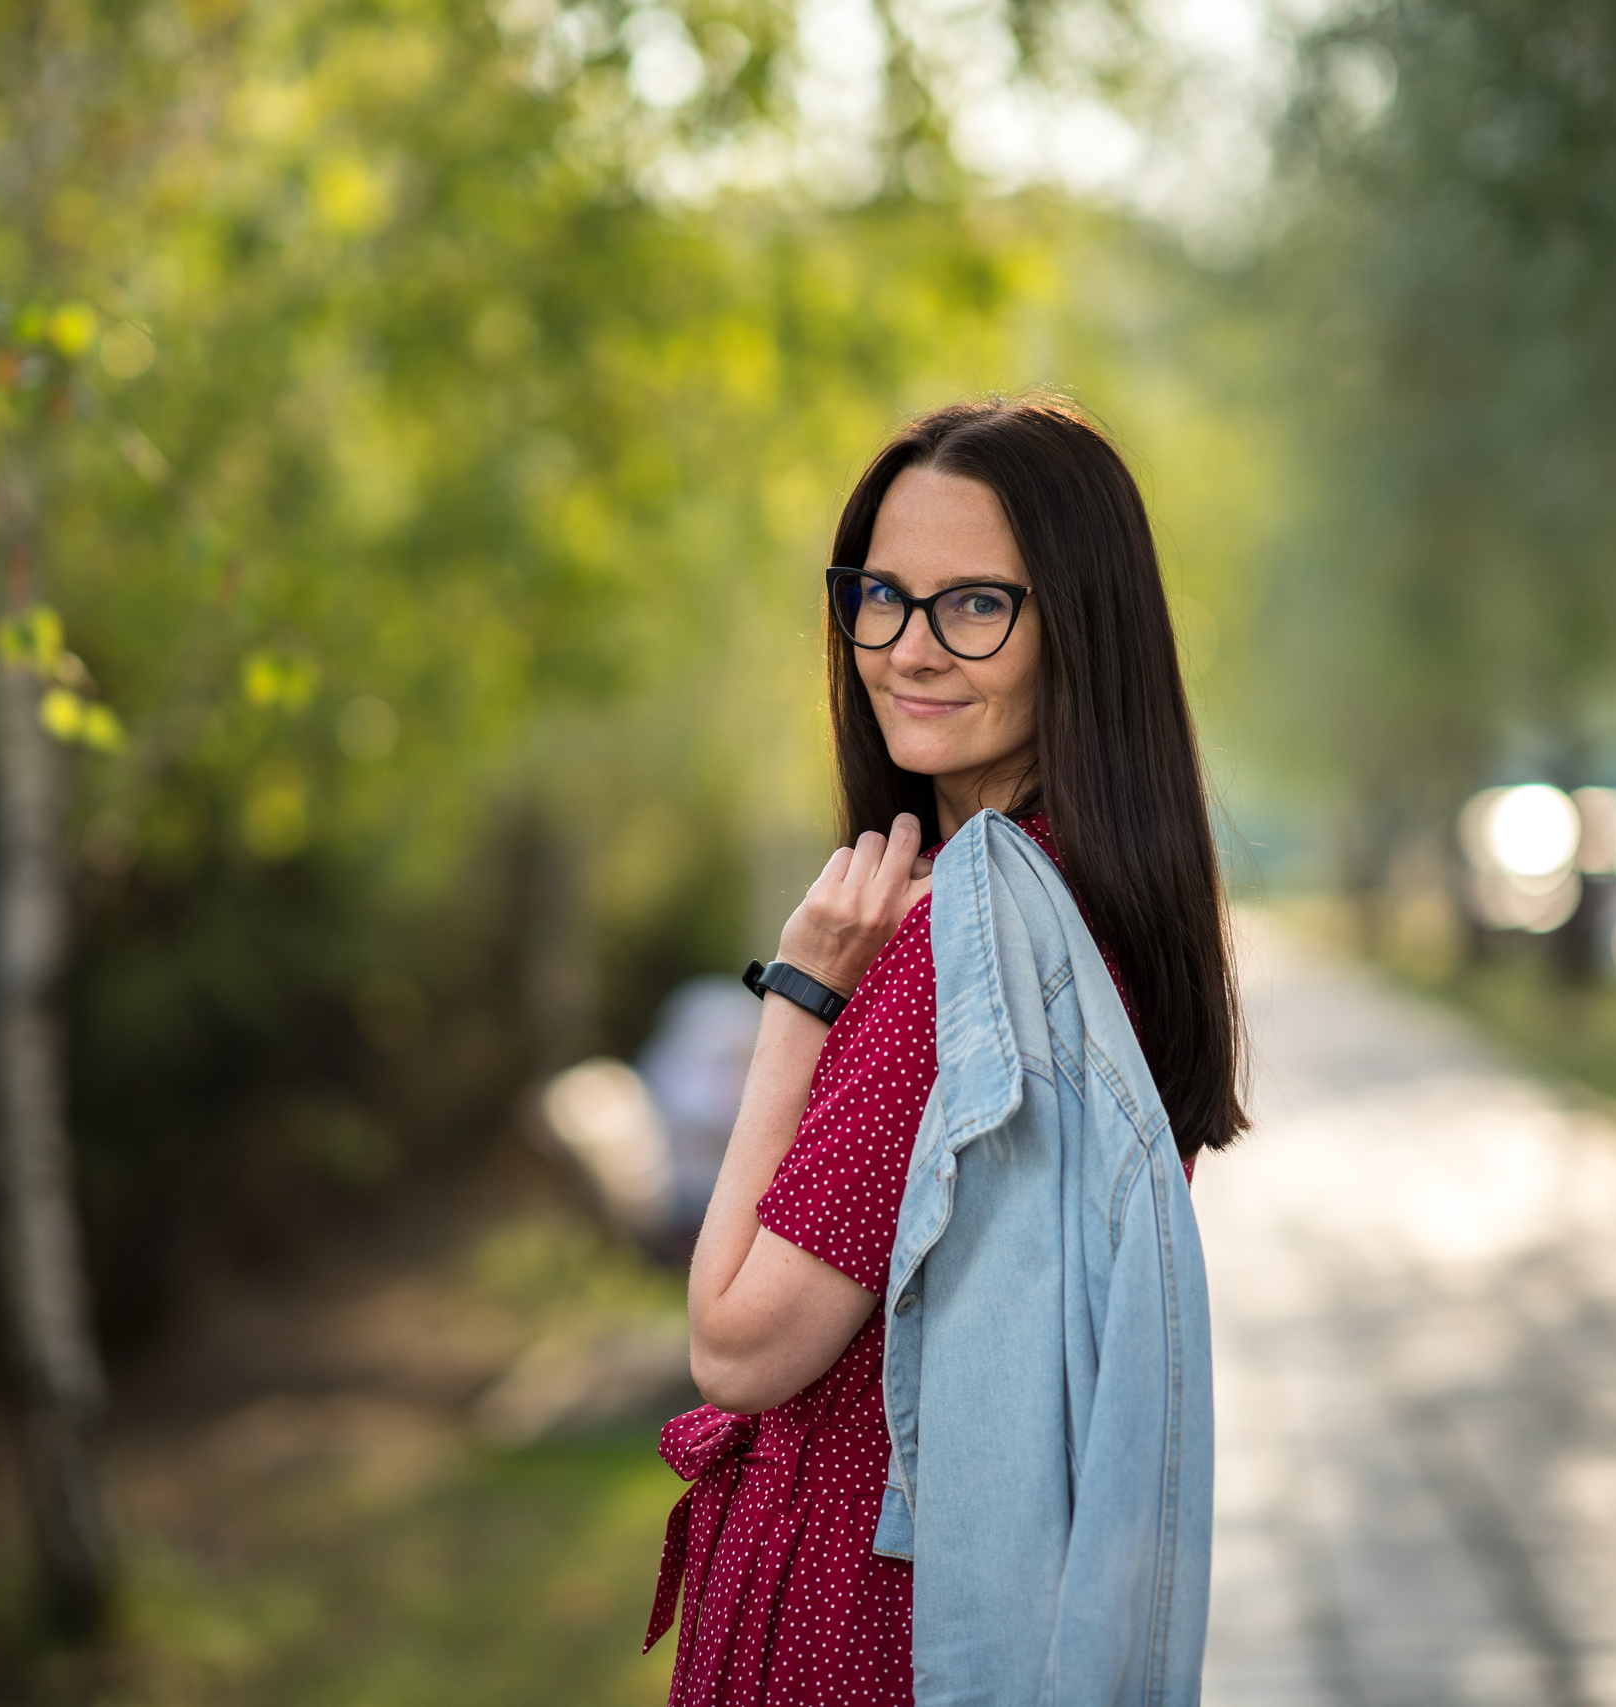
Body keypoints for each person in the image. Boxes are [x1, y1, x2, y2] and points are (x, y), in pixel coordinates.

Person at [642, 395, 1243, 1706]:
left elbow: (739, 1346)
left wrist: (799, 996)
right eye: (881, 597)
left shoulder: (959, 957)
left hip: (859, 1620)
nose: (908, 650)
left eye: (975, 605)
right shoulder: (1103, 906)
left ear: (1075, 634)